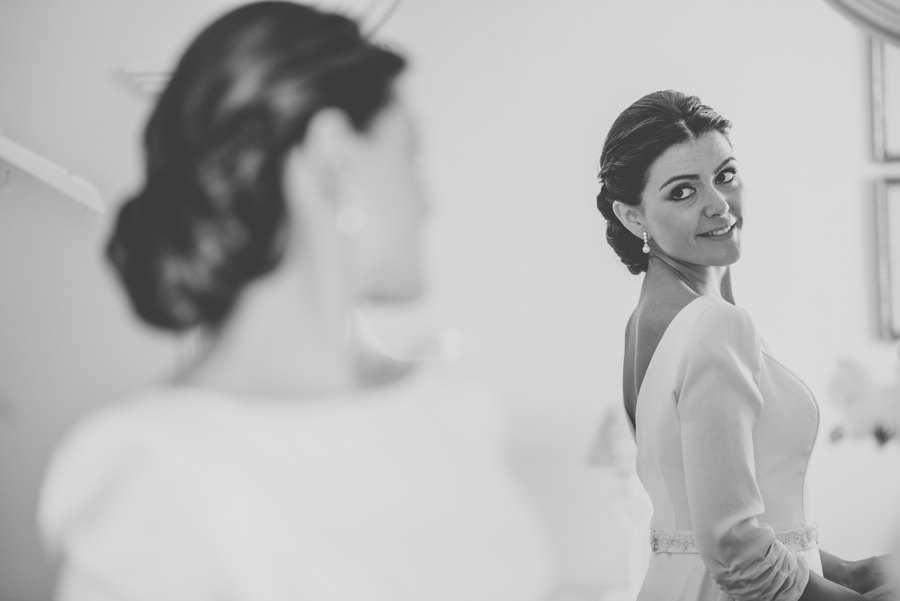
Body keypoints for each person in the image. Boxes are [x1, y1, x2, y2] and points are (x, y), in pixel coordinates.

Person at [36, 3, 554, 600]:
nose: (427, 200)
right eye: (411, 149)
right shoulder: (159, 471)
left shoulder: (454, 408)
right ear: (336, 158)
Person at [595, 90, 895, 601]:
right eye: (682, 192)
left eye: (725, 175)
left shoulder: (647, 323)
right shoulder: (714, 326)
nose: (718, 203)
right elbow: (737, 550)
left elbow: (701, 523)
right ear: (633, 216)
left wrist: (856, 573)